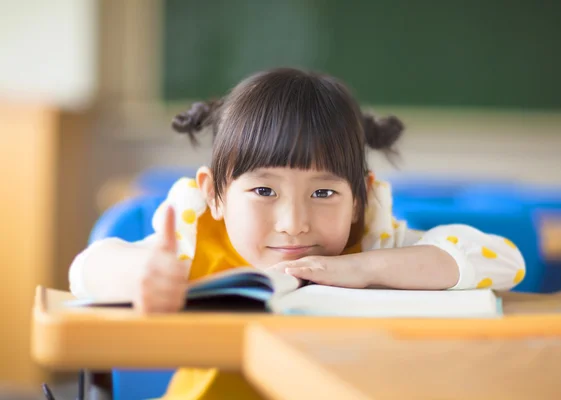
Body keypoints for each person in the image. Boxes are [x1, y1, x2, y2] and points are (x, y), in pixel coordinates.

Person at [69, 67, 526, 399]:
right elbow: (86, 270)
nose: (293, 222)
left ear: (359, 199)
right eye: (265, 189)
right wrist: (141, 273)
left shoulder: (373, 243)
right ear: (215, 194)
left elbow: (503, 259)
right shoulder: (192, 244)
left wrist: (366, 269)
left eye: (324, 192)